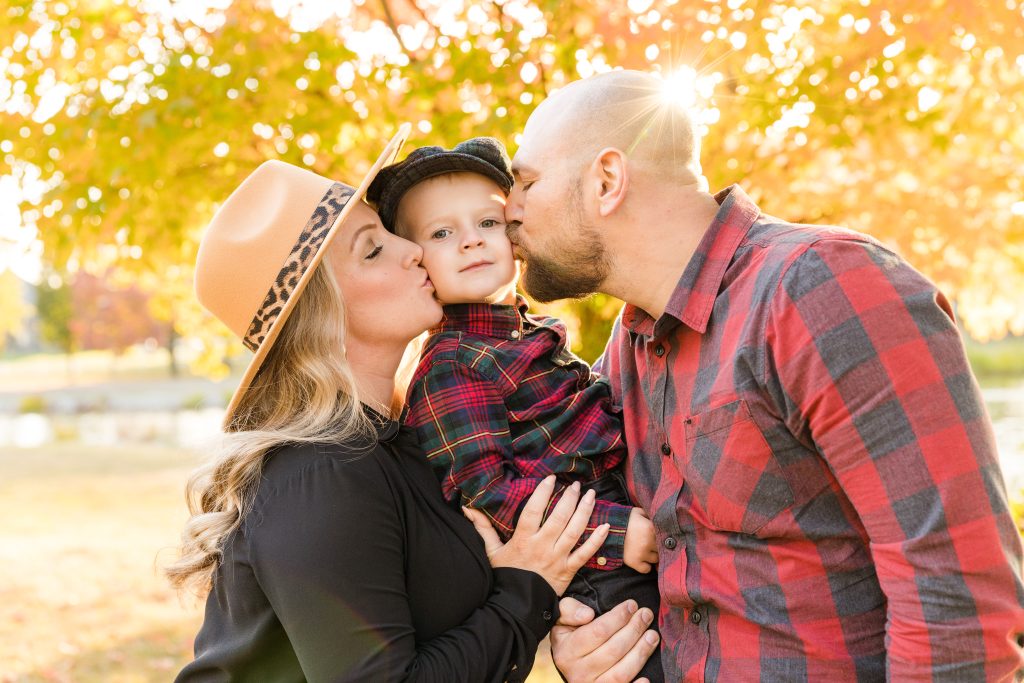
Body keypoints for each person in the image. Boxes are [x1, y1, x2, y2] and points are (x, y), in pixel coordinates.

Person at [505, 70, 1024, 681]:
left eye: (526, 183)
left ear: (607, 181)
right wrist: (586, 641)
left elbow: (957, 600)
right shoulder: (628, 347)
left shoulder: (821, 290)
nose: (506, 211)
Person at [166, 125, 613, 682]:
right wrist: (527, 589)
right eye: (374, 248)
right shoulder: (320, 475)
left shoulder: (413, 434)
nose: (412, 251)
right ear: (322, 318)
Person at [366, 137, 664, 680]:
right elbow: (489, 491)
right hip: (590, 561)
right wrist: (618, 531)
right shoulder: (455, 363)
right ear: (417, 259)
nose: (471, 243)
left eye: (487, 222)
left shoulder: (524, 333)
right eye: (441, 233)